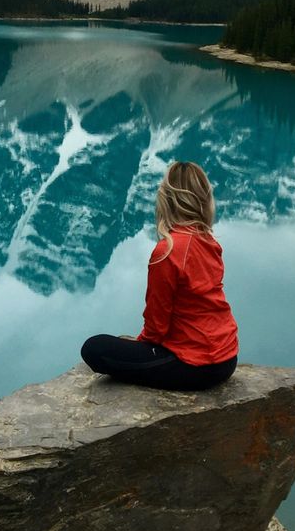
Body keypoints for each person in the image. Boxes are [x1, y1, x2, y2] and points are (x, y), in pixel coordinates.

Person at [81, 160, 238, 391]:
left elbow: (157, 324)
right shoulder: (208, 242)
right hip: (227, 358)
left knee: (94, 348)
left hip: (194, 366)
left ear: (168, 200)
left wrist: (142, 348)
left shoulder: (168, 250)